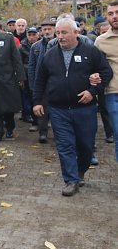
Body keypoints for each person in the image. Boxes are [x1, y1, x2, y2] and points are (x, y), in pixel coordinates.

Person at [33, 18, 112, 196]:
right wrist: (37, 101)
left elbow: (106, 72)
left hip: (85, 109)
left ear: (76, 33)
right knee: (65, 145)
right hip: (58, 109)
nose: (60, 37)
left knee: (85, 145)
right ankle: (71, 180)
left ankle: (80, 171)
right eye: (58, 33)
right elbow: (40, 80)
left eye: (64, 33)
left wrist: (93, 91)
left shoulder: (90, 52)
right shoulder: (49, 55)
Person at [0, 14, 25, 143]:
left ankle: (9, 128)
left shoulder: (8, 38)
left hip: (8, 78)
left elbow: (16, 59)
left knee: (9, 107)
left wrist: (20, 77)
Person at [94, 0, 118, 161]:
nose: (114, 16)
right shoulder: (100, 41)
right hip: (112, 94)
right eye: (110, 13)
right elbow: (95, 68)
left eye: (117, 13)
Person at [28, 19, 56, 142]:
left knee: (56, 109)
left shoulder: (59, 44)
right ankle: (43, 132)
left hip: (56, 82)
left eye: (49, 29)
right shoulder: (36, 46)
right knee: (42, 109)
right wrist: (33, 85)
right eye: (44, 29)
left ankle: (58, 132)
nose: (47, 31)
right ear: (41, 31)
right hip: (42, 83)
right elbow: (31, 67)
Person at [19, 26, 40, 123]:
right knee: (26, 97)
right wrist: (21, 78)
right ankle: (27, 115)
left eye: (34, 35)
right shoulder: (22, 46)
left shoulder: (42, 45)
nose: (31, 37)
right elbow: (19, 63)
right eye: (29, 35)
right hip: (26, 75)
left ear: (38, 35)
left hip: (39, 75)